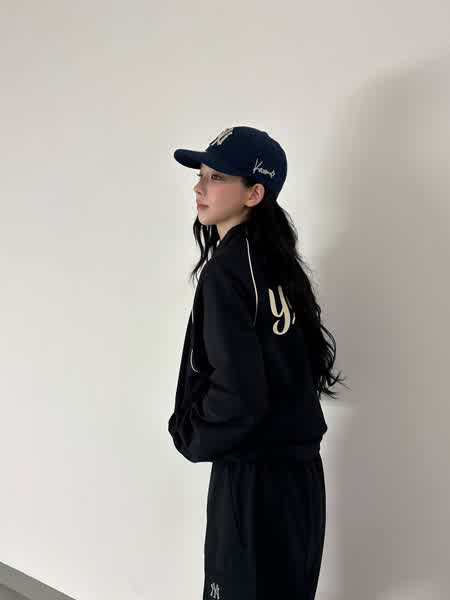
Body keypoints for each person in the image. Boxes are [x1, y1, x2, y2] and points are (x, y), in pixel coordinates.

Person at [167, 125, 347, 600]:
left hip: (253, 484)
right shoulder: (279, 264)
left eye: (217, 177)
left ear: (255, 193)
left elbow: (239, 394)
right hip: (300, 481)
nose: (199, 187)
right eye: (200, 174)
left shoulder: (227, 271)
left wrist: (189, 433)